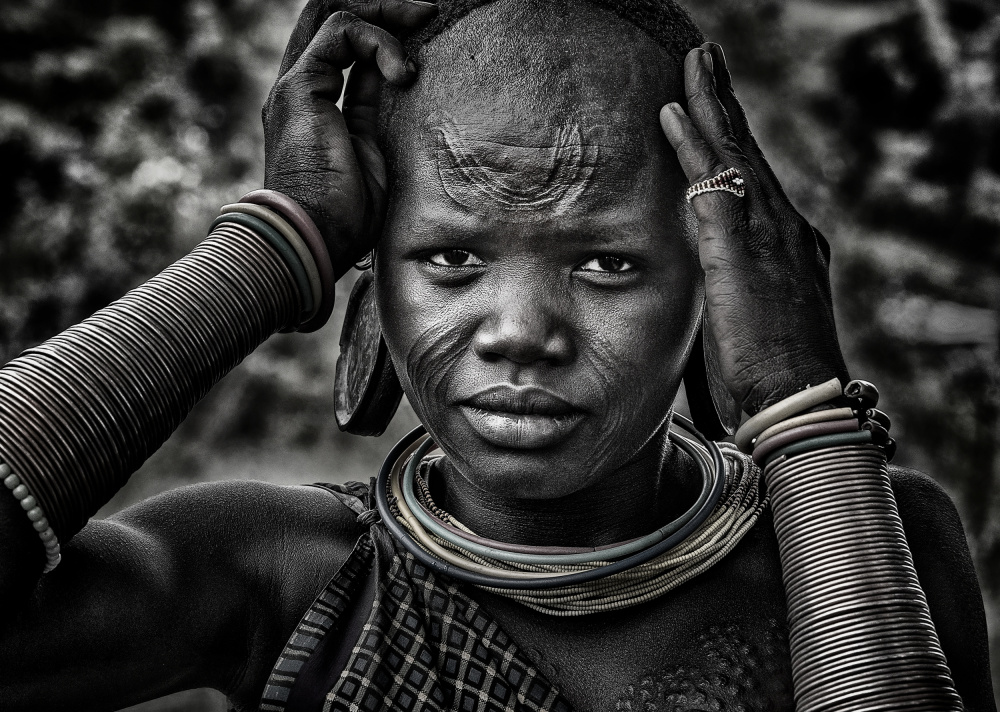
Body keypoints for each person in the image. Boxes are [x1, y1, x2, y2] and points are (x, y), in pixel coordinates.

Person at [0, 0, 994, 710]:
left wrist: (802, 410)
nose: (520, 329)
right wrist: (276, 240)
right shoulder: (282, 572)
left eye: (608, 261)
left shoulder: (882, 532)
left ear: (720, 284)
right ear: (373, 286)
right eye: (449, 256)